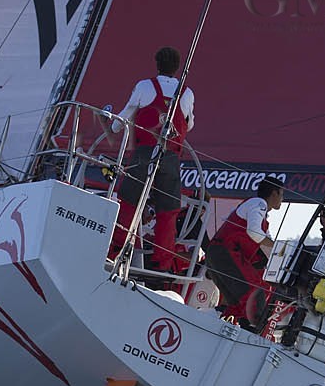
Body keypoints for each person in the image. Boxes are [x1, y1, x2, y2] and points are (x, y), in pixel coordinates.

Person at [107, 46, 195, 271]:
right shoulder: (187, 93)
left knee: (129, 202)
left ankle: (115, 252)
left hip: (144, 153)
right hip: (171, 158)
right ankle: (161, 264)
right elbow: (189, 124)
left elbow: (125, 115)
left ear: (157, 64)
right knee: (168, 210)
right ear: (177, 67)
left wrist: (113, 127)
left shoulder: (144, 86)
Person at [206, 178, 284, 330]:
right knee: (256, 291)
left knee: (237, 303)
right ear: (274, 193)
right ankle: (252, 331)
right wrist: (280, 249)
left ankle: (224, 326)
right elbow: (254, 233)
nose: (282, 199)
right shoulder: (259, 203)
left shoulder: (257, 210)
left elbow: (265, 242)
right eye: (281, 194)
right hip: (225, 253)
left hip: (217, 255)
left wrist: (278, 252)